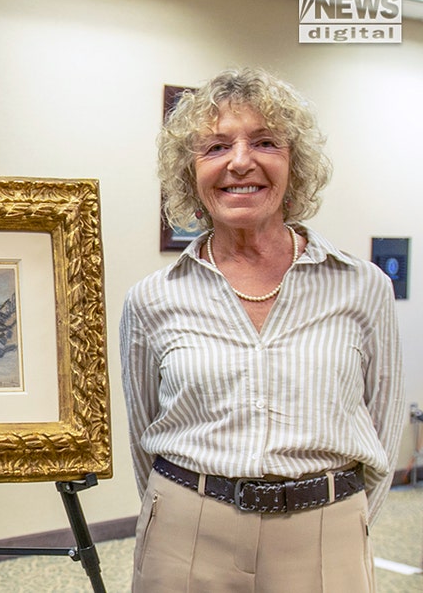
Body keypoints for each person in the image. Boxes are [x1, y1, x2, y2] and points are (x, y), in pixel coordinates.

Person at [121, 67, 403, 592]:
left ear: (295, 166)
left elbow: (383, 427)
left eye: (266, 142)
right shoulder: (152, 298)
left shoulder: (363, 287)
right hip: (186, 534)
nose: (240, 162)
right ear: (190, 174)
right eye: (215, 147)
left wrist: (338, 522)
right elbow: (143, 435)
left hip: (324, 536)